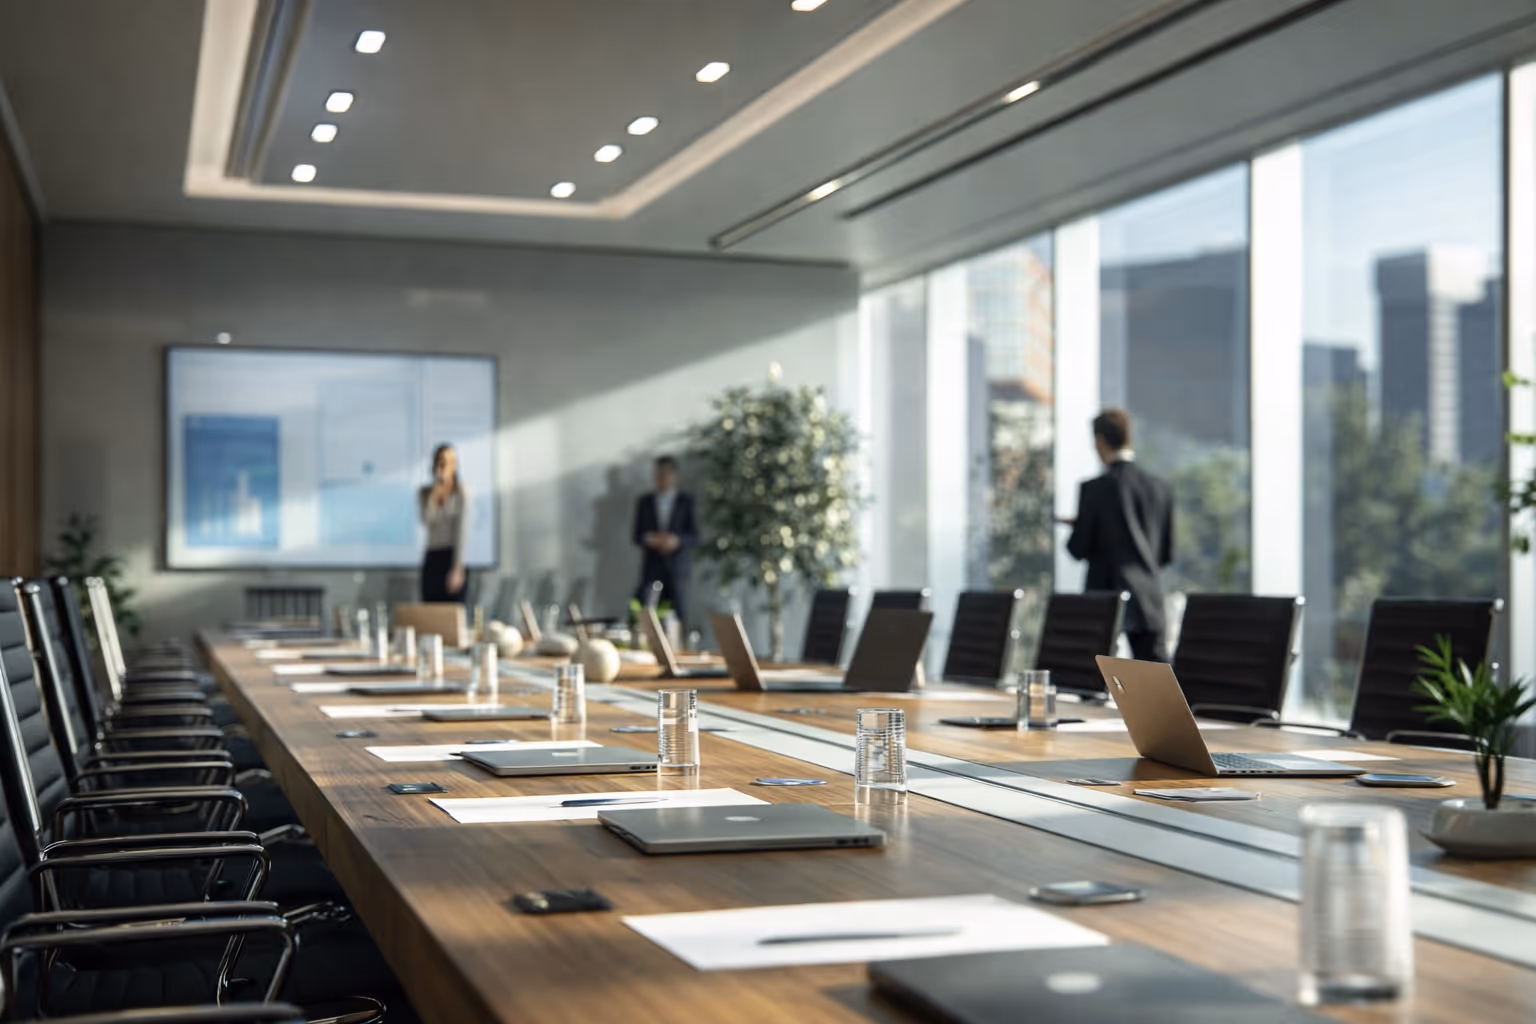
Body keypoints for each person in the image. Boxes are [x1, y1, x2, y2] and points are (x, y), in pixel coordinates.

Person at [1065, 409, 1175, 662]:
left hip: (1104, 600)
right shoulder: (1160, 488)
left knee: (1092, 685)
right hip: (1148, 597)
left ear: (1100, 441)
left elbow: (1078, 549)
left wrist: (1080, 525)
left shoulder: (1094, 490)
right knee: (1156, 688)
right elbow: (1167, 552)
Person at [632, 455, 698, 624]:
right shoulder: (645, 502)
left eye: (665, 473)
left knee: (678, 614)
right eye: (657, 474)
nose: (660, 478)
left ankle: (680, 648)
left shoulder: (685, 502)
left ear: (674, 475)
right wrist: (652, 539)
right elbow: (637, 535)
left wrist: (675, 541)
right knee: (645, 609)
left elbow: (694, 536)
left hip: (677, 568)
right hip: (652, 567)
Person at [419, 443, 470, 604]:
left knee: (452, 612)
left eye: (449, 462)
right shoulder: (425, 493)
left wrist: (457, 568)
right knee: (430, 610)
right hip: (433, 556)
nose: (444, 466)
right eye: (440, 462)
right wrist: (436, 492)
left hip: (452, 557)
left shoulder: (462, 493)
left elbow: (461, 531)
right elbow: (427, 520)